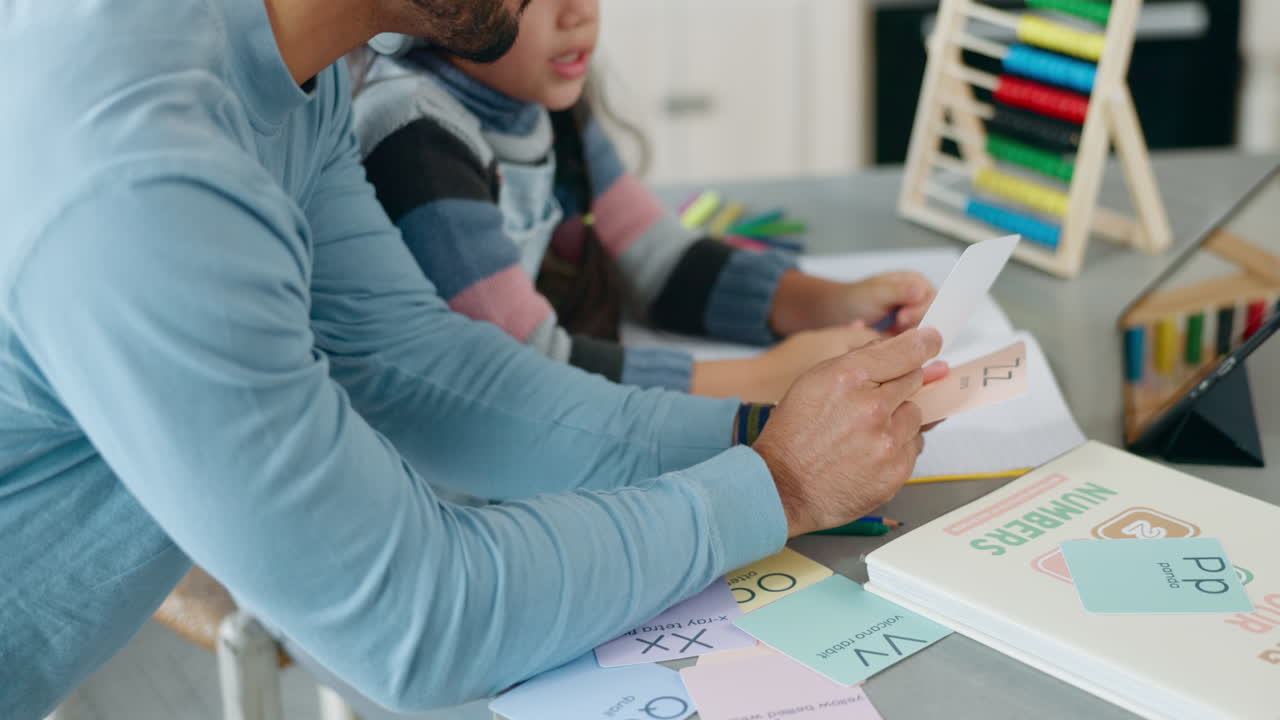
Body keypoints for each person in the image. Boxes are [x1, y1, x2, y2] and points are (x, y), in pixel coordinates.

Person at [0, 1, 943, 718]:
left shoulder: (295, 59)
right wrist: (775, 487)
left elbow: (415, 365)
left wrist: (758, 436)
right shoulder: (143, 176)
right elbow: (416, 618)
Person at [351, 2, 936, 402]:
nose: (579, 12)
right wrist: (762, 378)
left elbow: (654, 255)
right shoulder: (416, 137)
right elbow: (522, 375)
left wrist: (827, 303)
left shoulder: (535, 94)